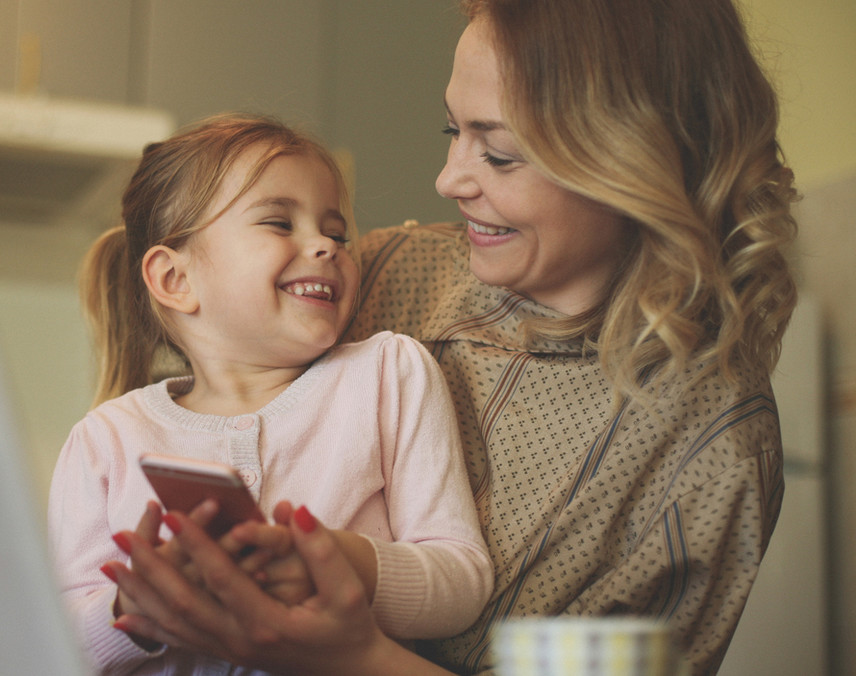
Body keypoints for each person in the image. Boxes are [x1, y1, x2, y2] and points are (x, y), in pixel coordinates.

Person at [102, 0, 799, 674]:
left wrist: (354, 660)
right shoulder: (387, 275)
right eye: (452, 133)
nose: (447, 180)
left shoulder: (708, 450)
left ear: (636, 161)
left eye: (498, 154)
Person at [48, 113, 493, 675]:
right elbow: (52, 643)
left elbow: (462, 583)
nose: (327, 247)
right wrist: (132, 608)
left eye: (336, 232)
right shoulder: (105, 439)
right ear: (175, 280)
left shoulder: (388, 374)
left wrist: (346, 564)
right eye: (280, 223)